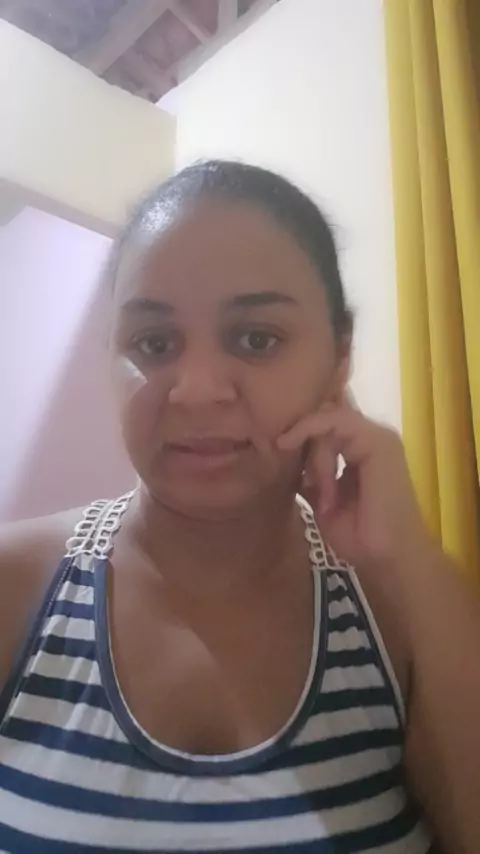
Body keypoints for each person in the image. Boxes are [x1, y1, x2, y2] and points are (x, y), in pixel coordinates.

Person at [0, 160, 478, 854]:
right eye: (153, 344)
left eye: (257, 338)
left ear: (339, 357)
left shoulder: (398, 611)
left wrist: (411, 555)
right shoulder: (16, 586)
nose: (196, 390)